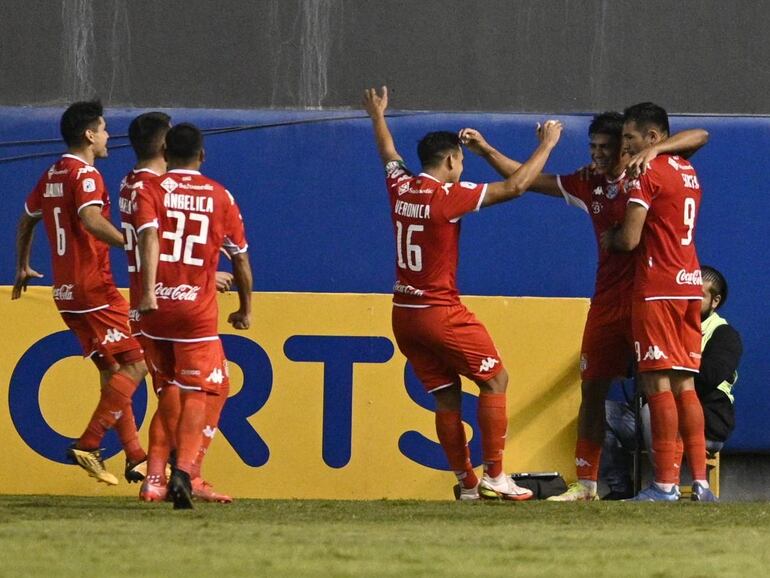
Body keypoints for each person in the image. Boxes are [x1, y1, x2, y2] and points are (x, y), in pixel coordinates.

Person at [460, 116, 708, 501]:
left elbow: (700, 135)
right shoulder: (589, 183)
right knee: (592, 389)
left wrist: (656, 148)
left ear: (628, 149)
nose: (597, 155)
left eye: (607, 147)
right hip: (609, 301)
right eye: (593, 147)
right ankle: (587, 485)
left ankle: (670, 482)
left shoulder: (647, 171)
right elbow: (529, 182)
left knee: (662, 387)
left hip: (649, 293)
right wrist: (487, 150)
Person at [363, 86, 563, 501]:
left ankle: (467, 484)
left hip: (404, 313)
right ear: (452, 161)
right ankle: (494, 474)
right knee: (495, 379)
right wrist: (547, 144)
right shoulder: (447, 197)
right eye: (460, 160)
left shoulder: (400, 186)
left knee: (446, 396)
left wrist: (377, 115)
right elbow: (516, 187)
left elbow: (388, 152)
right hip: (440, 312)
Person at [12, 100, 148, 486]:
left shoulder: (53, 172)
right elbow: (91, 219)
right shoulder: (86, 175)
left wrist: (22, 265)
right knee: (139, 362)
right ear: (89, 135)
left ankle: (136, 457)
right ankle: (89, 443)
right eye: (103, 129)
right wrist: (130, 243)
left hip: (67, 291)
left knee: (113, 371)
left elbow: (27, 218)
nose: (107, 136)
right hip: (94, 288)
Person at [135, 122, 252, 509]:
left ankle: (153, 480)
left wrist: (150, 291)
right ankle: (186, 471)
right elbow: (240, 260)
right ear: (202, 155)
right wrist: (244, 309)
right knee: (204, 389)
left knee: (167, 390)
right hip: (194, 311)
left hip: (152, 308)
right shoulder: (220, 196)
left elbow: (147, 237)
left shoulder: (147, 188)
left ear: (165, 155)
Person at [601, 102, 713, 501]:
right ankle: (700, 482)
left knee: (656, 382)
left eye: (630, 137)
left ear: (652, 137)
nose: (624, 146)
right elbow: (702, 135)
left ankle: (665, 483)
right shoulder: (688, 169)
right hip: (688, 284)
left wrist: (610, 237)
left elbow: (630, 239)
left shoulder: (646, 171)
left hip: (658, 286)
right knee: (686, 385)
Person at [600, 265, 743, 499]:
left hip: (707, 424)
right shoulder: (665, 326)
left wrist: (664, 362)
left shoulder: (724, 334)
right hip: (649, 412)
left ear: (715, 301)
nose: (688, 301)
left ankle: (666, 486)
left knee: (653, 410)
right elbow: (627, 370)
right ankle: (619, 487)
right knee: (601, 411)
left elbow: (709, 378)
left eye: (698, 296)